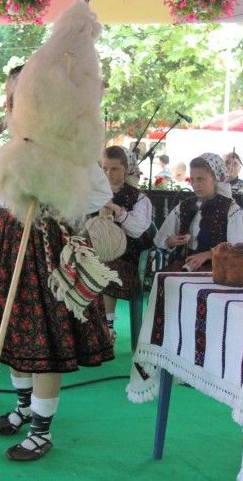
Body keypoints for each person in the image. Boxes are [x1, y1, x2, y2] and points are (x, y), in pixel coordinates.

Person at [0, 0, 114, 462]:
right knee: (14, 334)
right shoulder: (14, 146)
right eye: (9, 96)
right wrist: (0, 177)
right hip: (8, 246)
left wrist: (54, 202)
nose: (10, 103)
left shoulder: (70, 149)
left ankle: (42, 429)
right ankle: (24, 407)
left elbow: (98, 194)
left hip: (48, 251)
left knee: (42, 338)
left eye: (16, 95)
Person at [154, 153, 243, 272]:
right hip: (186, 267)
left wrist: (208, 255)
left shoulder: (231, 209)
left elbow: (240, 251)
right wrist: (171, 242)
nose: (195, 184)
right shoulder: (184, 206)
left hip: (219, 272)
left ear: (215, 179)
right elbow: (161, 240)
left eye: (200, 179)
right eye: (192, 179)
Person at [100, 145, 152, 342]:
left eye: (114, 169)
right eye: (104, 168)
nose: (108, 173)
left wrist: (116, 210)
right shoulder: (94, 193)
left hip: (126, 257)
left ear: (126, 169)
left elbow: (137, 229)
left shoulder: (138, 198)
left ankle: (107, 329)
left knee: (107, 268)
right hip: (96, 251)